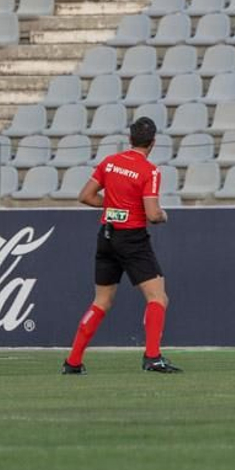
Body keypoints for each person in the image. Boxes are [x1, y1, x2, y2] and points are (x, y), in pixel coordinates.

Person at [63, 116, 181, 374]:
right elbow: (152, 214)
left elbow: (85, 196)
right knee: (158, 297)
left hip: (106, 237)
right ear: (152, 143)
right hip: (133, 240)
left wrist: (115, 208)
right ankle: (152, 357)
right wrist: (163, 216)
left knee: (101, 302)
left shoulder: (110, 163)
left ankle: (72, 362)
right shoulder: (149, 170)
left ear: (130, 139)